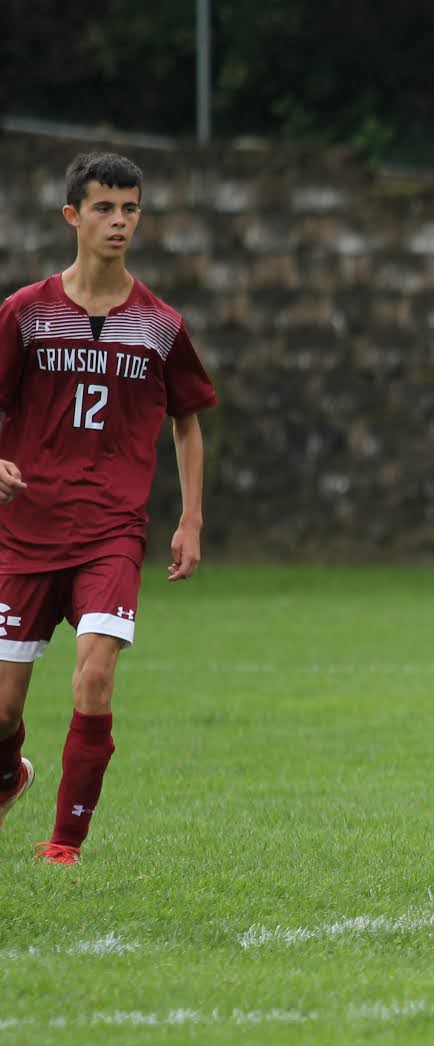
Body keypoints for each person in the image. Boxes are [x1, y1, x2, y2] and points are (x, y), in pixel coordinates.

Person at [0, 152, 214, 864]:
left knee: (93, 676)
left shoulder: (159, 324)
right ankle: (11, 773)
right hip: (25, 528)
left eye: (129, 208)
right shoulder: (25, 314)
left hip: (111, 531)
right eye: (103, 208)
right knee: (3, 710)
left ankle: (65, 843)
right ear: (72, 217)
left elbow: (187, 419)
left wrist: (189, 517)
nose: (118, 220)